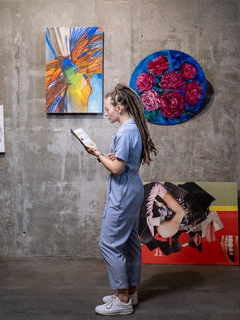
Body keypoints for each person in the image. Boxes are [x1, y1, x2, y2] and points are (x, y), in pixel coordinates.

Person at [85, 83, 156, 316]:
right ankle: (130, 292)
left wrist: (97, 155)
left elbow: (116, 169)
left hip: (123, 189)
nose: (106, 113)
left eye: (108, 109)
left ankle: (122, 299)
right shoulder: (133, 128)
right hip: (133, 186)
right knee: (129, 242)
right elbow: (122, 161)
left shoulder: (125, 131)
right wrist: (111, 157)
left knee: (109, 243)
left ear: (119, 107)